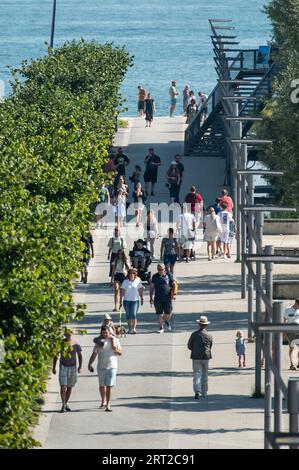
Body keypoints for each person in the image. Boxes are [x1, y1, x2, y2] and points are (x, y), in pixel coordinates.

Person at [88, 325, 122, 412]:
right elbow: (94, 354)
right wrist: (89, 364)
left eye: (106, 332)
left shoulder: (115, 340)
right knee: (102, 386)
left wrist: (115, 350)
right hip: (101, 366)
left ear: (109, 332)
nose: (105, 334)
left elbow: (120, 353)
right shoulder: (99, 342)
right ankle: (103, 401)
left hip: (112, 366)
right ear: (101, 333)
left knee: (109, 386)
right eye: (103, 333)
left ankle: (108, 405)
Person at [52, 331, 82, 413]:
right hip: (63, 366)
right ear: (65, 335)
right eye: (67, 334)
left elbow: (79, 355)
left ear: (72, 334)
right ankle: (63, 404)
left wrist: (80, 366)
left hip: (72, 367)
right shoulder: (61, 343)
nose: (68, 335)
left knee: (69, 386)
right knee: (63, 386)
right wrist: (54, 367)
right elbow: (56, 355)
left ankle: (66, 403)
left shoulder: (75, 343)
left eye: (70, 334)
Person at [187, 316, 213, 399]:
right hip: (206, 357)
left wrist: (194, 349)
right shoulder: (209, 335)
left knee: (197, 374)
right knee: (205, 375)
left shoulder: (194, 334)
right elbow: (210, 346)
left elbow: (189, 346)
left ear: (199, 324)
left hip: (196, 356)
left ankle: (197, 391)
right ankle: (204, 392)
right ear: (206, 325)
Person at [150, 264, 177, 333]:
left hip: (167, 298)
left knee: (168, 313)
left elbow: (174, 284)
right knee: (159, 313)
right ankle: (161, 327)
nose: (160, 271)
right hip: (158, 298)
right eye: (159, 269)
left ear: (164, 269)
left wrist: (174, 294)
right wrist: (151, 297)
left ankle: (166, 321)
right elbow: (152, 287)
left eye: (162, 269)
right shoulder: (155, 276)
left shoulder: (169, 275)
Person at [120, 268, 144, 334]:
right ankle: (130, 328)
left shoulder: (137, 281)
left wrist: (142, 298)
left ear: (135, 274)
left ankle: (134, 328)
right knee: (128, 315)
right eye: (130, 273)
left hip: (135, 301)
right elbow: (122, 292)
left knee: (133, 314)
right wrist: (120, 301)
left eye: (133, 273)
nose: (131, 275)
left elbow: (140, 290)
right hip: (126, 301)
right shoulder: (125, 282)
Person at [284, 299, 299, 370]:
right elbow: (285, 320)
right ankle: (292, 364)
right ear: (296, 303)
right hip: (290, 331)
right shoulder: (288, 310)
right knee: (292, 347)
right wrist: (283, 331)